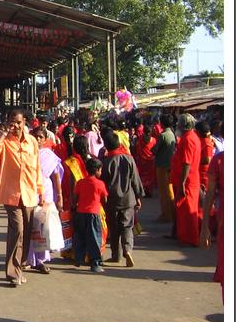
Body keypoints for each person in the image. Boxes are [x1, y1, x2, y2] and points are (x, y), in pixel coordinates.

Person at [0, 108, 45, 287]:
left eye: (19, 122)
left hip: (29, 193)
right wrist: (2, 134)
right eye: (13, 122)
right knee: (17, 230)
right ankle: (12, 273)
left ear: (24, 122)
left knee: (26, 232)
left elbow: (37, 167)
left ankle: (20, 267)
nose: (16, 126)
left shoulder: (32, 142)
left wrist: (40, 190)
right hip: (11, 194)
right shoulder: (4, 142)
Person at [101, 129, 144, 267]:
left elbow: (103, 182)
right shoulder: (129, 158)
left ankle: (116, 255)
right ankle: (128, 250)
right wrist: (138, 196)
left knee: (114, 228)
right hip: (128, 199)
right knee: (127, 226)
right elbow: (135, 180)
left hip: (112, 200)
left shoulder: (107, 162)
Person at [28, 127, 64, 274]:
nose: (38, 139)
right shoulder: (27, 153)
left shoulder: (49, 155)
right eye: (35, 136)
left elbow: (56, 176)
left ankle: (41, 260)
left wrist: (60, 195)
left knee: (43, 226)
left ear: (45, 139)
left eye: (41, 137)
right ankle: (29, 259)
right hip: (30, 191)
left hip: (46, 192)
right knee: (30, 226)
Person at [72, 157, 108, 273]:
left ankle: (78, 258)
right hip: (93, 214)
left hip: (81, 213)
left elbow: (75, 198)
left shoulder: (80, 182)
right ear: (97, 170)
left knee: (80, 236)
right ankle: (95, 263)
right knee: (94, 238)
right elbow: (105, 199)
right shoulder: (100, 184)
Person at [172, 113, 202, 247]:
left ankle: (191, 238)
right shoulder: (190, 137)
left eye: (179, 123)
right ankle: (185, 236)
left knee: (189, 211)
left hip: (188, 180)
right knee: (185, 210)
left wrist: (182, 183)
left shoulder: (188, 139)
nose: (177, 125)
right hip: (188, 179)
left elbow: (186, 163)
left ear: (183, 125)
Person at [200, 151, 224, 300]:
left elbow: (209, 194)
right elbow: (210, 194)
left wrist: (204, 228)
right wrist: (205, 227)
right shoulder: (219, 160)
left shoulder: (220, 160)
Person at [152, 114, 176, 223]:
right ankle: (171, 213)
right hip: (170, 165)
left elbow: (155, 149)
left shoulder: (163, 135)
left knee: (164, 192)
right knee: (170, 191)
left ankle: (166, 215)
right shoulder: (172, 134)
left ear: (162, 123)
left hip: (162, 166)